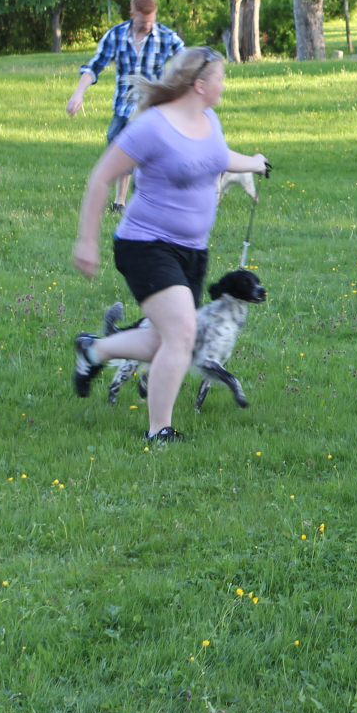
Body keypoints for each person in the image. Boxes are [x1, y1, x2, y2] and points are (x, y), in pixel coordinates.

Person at [69, 46, 269, 443]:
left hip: (193, 251)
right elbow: (101, 176)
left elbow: (215, 156)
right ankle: (159, 430)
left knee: (165, 338)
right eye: (220, 79)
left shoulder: (209, 120)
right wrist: (86, 240)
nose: (223, 86)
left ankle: (93, 351)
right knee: (181, 335)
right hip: (146, 245)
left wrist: (254, 162)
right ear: (199, 85)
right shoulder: (153, 127)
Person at [66, 0, 185, 212]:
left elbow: (188, 63)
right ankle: (121, 201)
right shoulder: (116, 35)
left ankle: (139, 198)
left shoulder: (167, 37)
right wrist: (78, 93)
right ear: (132, 15)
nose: (148, 25)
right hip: (123, 107)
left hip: (152, 110)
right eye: (143, 21)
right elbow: (94, 67)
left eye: (151, 20)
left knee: (144, 152)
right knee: (117, 147)